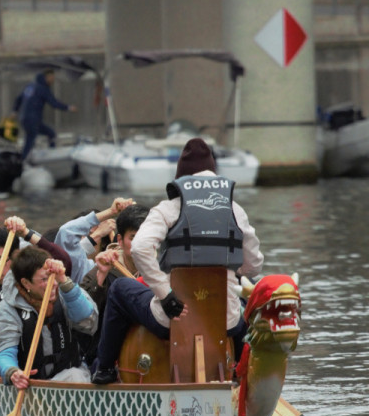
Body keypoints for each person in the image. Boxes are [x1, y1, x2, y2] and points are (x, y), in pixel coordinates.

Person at [91, 138, 264, 385]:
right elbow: (254, 264)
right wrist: (229, 269)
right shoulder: (236, 210)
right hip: (226, 321)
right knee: (250, 290)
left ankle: (104, 370)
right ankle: (239, 372)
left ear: (182, 178)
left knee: (119, 289)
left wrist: (165, 295)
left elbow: (140, 248)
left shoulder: (168, 208)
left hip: (173, 318)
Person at [0, 217, 72, 373]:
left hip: (57, 372)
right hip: (8, 375)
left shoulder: (38, 282)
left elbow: (64, 262)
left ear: (15, 257)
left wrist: (26, 233)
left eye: (0, 260)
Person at [0, 247, 97, 386]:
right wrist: (12, 372)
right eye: (44, 279)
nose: (53, 283)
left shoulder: (66, 291)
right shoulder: (7, 309)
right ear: (26, 283)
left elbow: (87, 322)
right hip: (29, 386)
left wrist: (63, 280)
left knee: (75, 376)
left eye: (53, 277)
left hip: (71, 379)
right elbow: (4, 351)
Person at [78, 203, 150, 365]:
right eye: (133, 238)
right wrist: (101, 277)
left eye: (146, 237)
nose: (140, 244)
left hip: (146, 353)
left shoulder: (161, 273)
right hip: (105, 359)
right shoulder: (101, 269)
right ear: (120, 240)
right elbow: (83, 320)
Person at [54, 197, 133, 288]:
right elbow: (66, 233)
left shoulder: (116, 264)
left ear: (103, 242)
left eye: (89, 234)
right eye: (79, 236)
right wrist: (111, 212)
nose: (81, 241)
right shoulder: (75, 266)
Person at [13, 69, 77, 162]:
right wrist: (69, 107)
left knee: (51, 134)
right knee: (30, 140)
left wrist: (14, 111)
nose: (53, 80)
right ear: (46, 77)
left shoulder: (30, 86)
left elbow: (18, 99)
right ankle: (22, 162)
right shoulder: (43, 89)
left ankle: (51, 155)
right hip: (32, 119)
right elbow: (54, 103)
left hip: (25, 118)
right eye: (52, 77)